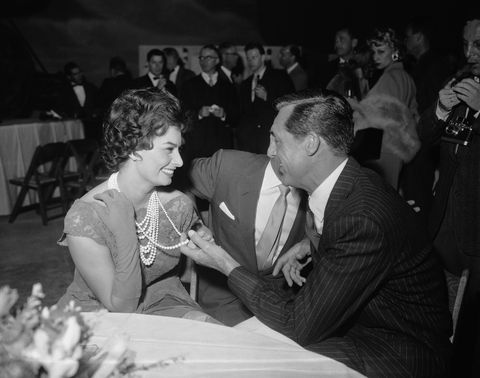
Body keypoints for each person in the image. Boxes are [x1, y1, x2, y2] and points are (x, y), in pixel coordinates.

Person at [181, 90, 452, 377]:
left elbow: (299, 325)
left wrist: (223, 262)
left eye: (277, 139)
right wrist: (310, 244)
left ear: (310, 144)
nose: (270, 151)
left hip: (398, 348)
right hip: (361, 328)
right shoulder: (350, 183)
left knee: (255, 363)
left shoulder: (361, 218)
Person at [56, 88, 215, 323]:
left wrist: (203, 239)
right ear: (134, 147)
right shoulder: (86, 216)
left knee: (218, 341)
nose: (180, 161)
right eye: (169, 149)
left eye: (179, 148)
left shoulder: (178, 204)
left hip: (164, 301)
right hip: (102, 314)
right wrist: (124, 231)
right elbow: (121, 307)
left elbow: (196, 244)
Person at [188, 148, 306, 325]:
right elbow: (176, 177)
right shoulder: (227, 166)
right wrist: (193, 223)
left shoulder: (323, 187)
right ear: (274, 142)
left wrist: (309, 243)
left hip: (282, 300)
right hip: (225, 296)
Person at [423, 18, 480, 377]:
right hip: (442, 225)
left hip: (475, 233)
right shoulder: (463, 85)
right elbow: (423, 139)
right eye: (466, 44)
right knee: (437, 323)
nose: (470, 53)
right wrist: (440, 111)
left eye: (479, 45)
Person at [356, 27, 420, 190]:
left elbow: (370, 115)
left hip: (384, 149)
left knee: (380, 197)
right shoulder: (406, 77)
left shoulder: (392, 77)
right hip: (394, 148)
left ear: (395, 51)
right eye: (374, 52)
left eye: (381, 51)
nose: (376, 57)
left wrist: (351, 106)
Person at [180, 44, 238, 159]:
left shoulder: (228, 86)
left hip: (222, 147)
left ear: (217, 60)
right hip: (197, 146)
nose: (203, 61)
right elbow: (183, 115)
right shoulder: (189, 85)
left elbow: (237, 117)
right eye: (201, 58)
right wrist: (199, 114)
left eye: (208, 57)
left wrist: (224, 115)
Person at [236, 42, 294, 154]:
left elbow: (289, 102)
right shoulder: (245, 83)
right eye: (248, 58)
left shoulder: (279, 76)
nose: (250, 61)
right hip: (249, 141)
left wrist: (267, 96)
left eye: (254, 57)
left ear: (263, 57)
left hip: (270, 136)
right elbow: (242, 112)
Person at [55, 61, 101, 141]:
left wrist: (96, 113)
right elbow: (61, 108)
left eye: (80, 72)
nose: (79, 75)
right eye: (75, 74)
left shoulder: (91, 87)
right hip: (73, 129)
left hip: (92, 127)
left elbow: (100, 102)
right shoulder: (64, 91)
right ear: (69, 77)